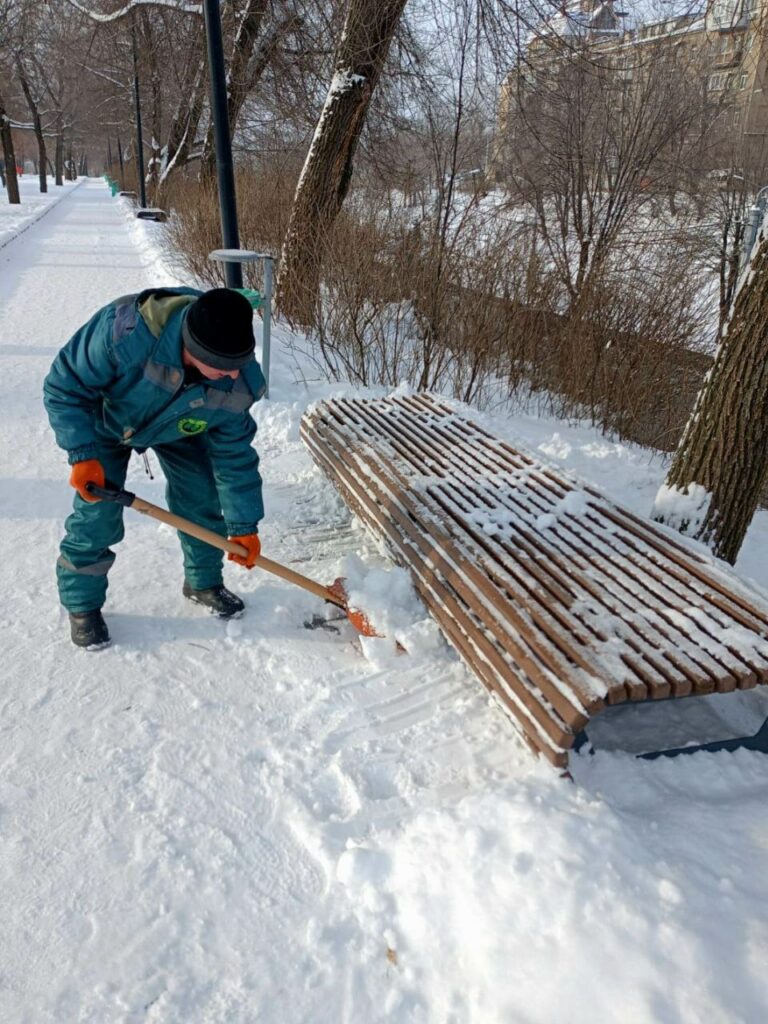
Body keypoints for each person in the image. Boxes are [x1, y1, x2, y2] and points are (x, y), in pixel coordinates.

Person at [44, 287, 267, 649]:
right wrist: (82, 454)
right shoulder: (125, 334)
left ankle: (203, 581)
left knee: (201, 495)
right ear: (193, 349)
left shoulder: (237, 383)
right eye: (223, 368)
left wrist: (244, 526)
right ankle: (82, 605)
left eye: (237, 365)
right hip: (106, 422)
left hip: (182, 423)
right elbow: (64, 386)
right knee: (97, 517)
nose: (230, 376)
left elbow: (235, 457)